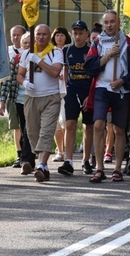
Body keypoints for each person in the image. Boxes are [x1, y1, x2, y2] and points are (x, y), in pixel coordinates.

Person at [84, 10, 130, 183]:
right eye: (106, 22)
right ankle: (100, 168)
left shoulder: (129, 43)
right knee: (99, 124)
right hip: (102, 88)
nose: (109, 25)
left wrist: (123, 80)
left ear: (118, 23)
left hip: (121, 91)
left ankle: (117, 168)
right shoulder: (98, 42)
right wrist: (108, 55)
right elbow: (90, 67)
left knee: (118, 129)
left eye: (112, 22)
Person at [17, 24, 64, 182]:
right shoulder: (26, 53)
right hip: (31, 98)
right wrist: (24, 83)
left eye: (44, 34)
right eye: (38, 34)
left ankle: (42, 165)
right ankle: (42, 164)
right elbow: (20, 75)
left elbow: (55, 72)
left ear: (49, 36)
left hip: (50, 97)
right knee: (32, 132)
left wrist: (38, 60)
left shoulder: (55, 52)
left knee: (47, 131)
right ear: (34, 36)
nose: (41, 37)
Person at [57, 21, 94, 176]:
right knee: (70, 124)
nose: (77, 36)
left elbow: (94, 74)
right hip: (72, 91)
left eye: (80, 33)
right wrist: (66, 88)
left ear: (87, 34)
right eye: (75, 33)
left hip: (87, 92)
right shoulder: (67, 50)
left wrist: (91, 95)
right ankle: (69, 160)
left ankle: (86, 160)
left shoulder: (91, 50)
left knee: (88, 126)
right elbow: (66, 70)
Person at [0, 32, 35, 173]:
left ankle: (27, 159)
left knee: (29, 129)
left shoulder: (38, 58)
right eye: (25, 43)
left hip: (34, 99)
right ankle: (27, 159)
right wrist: (2, 100)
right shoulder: (16, 59)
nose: (27, 45)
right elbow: (7, 82)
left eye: (30, 43)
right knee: (23, 128)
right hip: (18, 99)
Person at [0, 25, 26, 168]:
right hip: (13, 94)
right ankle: (19, 153)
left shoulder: (29, 51)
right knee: (17, 125)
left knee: (28, 125)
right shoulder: (7, 52)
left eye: (18, 35)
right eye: (13, 35)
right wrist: (1, 100)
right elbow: (4, 77)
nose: (16, 38)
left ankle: (29, 152)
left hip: (28, 94)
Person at [51, 27, 70, 163]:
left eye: (62, 35)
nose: (59, 37)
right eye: (57, 35)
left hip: (66, 91)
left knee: (65, 122)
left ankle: (67, 148)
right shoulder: (50, 52)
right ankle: (60, 150)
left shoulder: (69, 51)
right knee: (56, 123)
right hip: (52, 91)